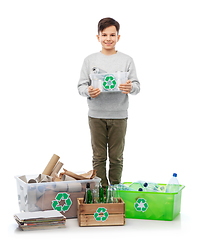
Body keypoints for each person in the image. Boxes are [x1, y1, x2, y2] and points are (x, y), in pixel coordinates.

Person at [78, 17, 140, 188]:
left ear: (118, 37)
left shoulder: (127, 60)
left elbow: (136, 86)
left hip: (119, 115)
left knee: (117, 157)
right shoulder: (90, 60)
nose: (108, 38)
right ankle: (101, 191)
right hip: (96, 115)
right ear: (98, 37)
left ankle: (115, 189)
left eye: (112, 35)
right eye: (104, 34)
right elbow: (81, 86)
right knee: (98, 156)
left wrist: (130, 87)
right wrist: (88, 91)